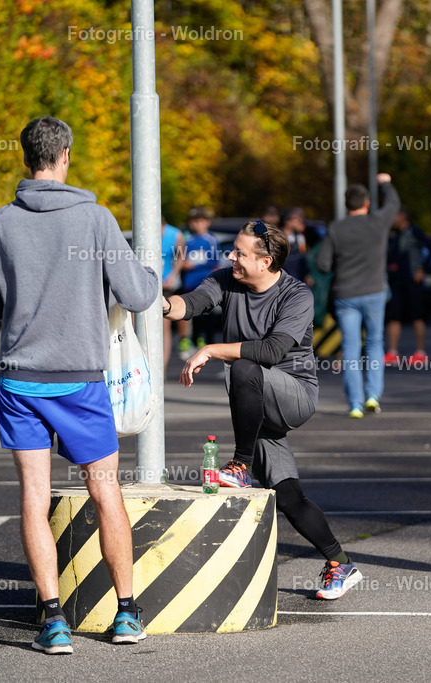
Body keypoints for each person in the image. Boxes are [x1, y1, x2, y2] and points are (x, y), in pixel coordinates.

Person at [0, 116, 159, 653]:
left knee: (34, 497)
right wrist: (146, 273)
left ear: (26, 156)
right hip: (80, 383)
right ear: (66, 156)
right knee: (105, 491)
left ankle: (53, 621)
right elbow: (137, 294)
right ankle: (126, 614)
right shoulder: (95, 219)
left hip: (21, 383)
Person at [162, 219, 362, 600]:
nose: (230, 257)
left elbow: (270, 352)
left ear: (266, 261)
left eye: (239, 252)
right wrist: (158, 300)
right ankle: (340, 563)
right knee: (288, 496)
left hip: (294, 396)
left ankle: (239, 465)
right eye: (233, 250)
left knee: (246, 365)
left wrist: (210, 350)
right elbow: (189, 305)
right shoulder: (226, 280)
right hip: (254, 401)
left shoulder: (296, 295)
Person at [316, 173, 400, 418]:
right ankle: (373, 396)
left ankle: (355, 404)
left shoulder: (335, 228)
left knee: (350, 349)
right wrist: (385, 183)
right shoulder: (378, 222)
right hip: (375, 292)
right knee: (374, 342)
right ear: (367, 204)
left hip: (346, 295)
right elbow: (393, 203)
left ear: (346, 205)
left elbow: (322, 264)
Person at [384, 207, 427, 367]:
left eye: (394, 216)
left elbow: (429, 248)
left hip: (412, 280)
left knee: (417, 315)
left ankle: (420, 352)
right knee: (394, 316)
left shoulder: (414, 232)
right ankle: (393, 352)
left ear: (402, 216)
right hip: (397, 281)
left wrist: (421, 269)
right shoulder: (395, 235)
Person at [177, 206, 220, 357]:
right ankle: (192, 341)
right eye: (195, 221)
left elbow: (214, 261)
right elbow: (180, 257)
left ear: (207, 222)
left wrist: (195, 265)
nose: (198, 225)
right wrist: (183, 264)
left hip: (205, 281)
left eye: (201, 221)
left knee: (207, 313)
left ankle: (207, 340)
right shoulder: (187, 238)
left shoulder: (211, 239)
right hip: (190, 282)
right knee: (191, 313)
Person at [160, 216, 186, 369]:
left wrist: (173, 276)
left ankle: (161, 368)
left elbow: (181, 257)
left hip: (166, 286)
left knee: (164, 326)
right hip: (147, 283)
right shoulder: (141, 230)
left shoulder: (176, 234)